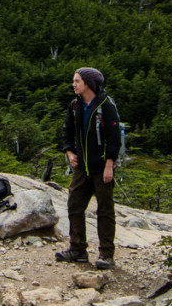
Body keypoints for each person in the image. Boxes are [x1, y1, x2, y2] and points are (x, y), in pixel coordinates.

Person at [55, 67, 122, 270]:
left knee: (105, 211)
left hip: (102, 168)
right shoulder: (75, 105)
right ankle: (77, 250)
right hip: (81, 167)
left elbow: (114, 137)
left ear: (88, 83)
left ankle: (106, 254)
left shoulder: (106, 106)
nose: (74, 84)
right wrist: (69, 152)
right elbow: (67, 129)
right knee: (74, 206)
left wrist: (109, 164)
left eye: (77, 81)